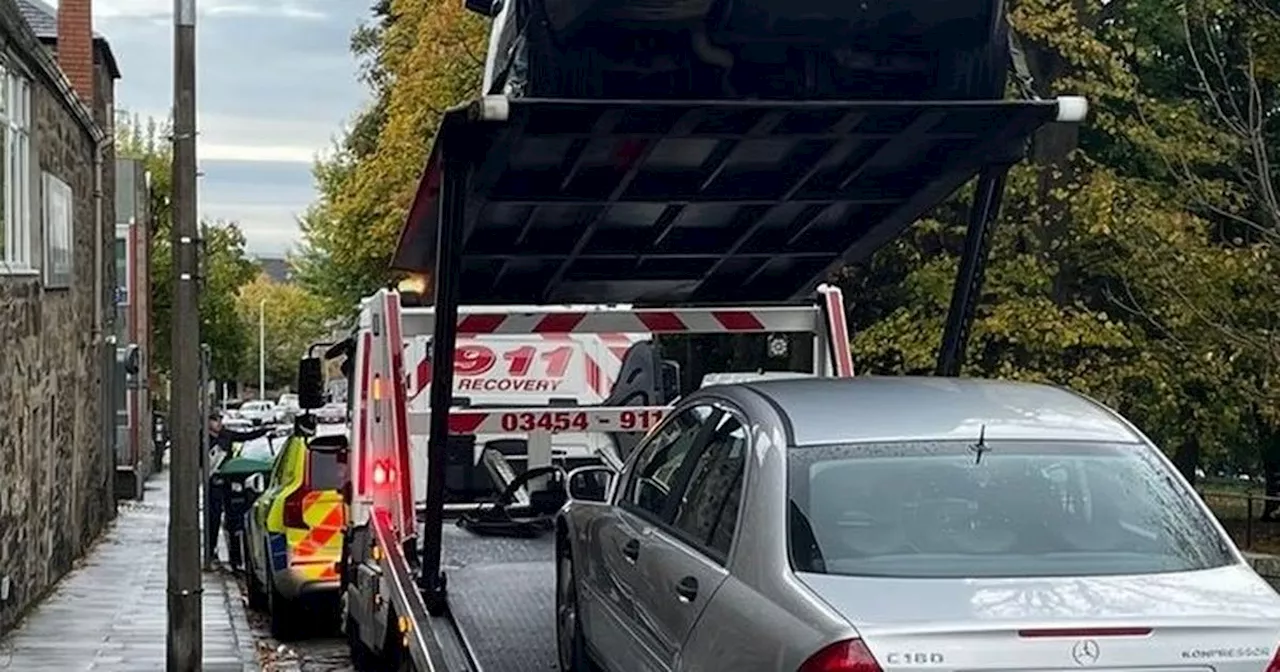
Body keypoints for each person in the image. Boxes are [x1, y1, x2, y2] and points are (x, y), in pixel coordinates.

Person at [206, 412, 270, 569]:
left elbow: (245, 436)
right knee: (213, 518)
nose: (219, 423)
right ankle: (210, 551)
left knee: (233, 518)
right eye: (215, 420)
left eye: (220, 420)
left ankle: (236, 558)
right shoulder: (202, 438)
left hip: (228, 481)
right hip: (213, 482)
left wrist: (264, 431)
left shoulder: (226, 435)